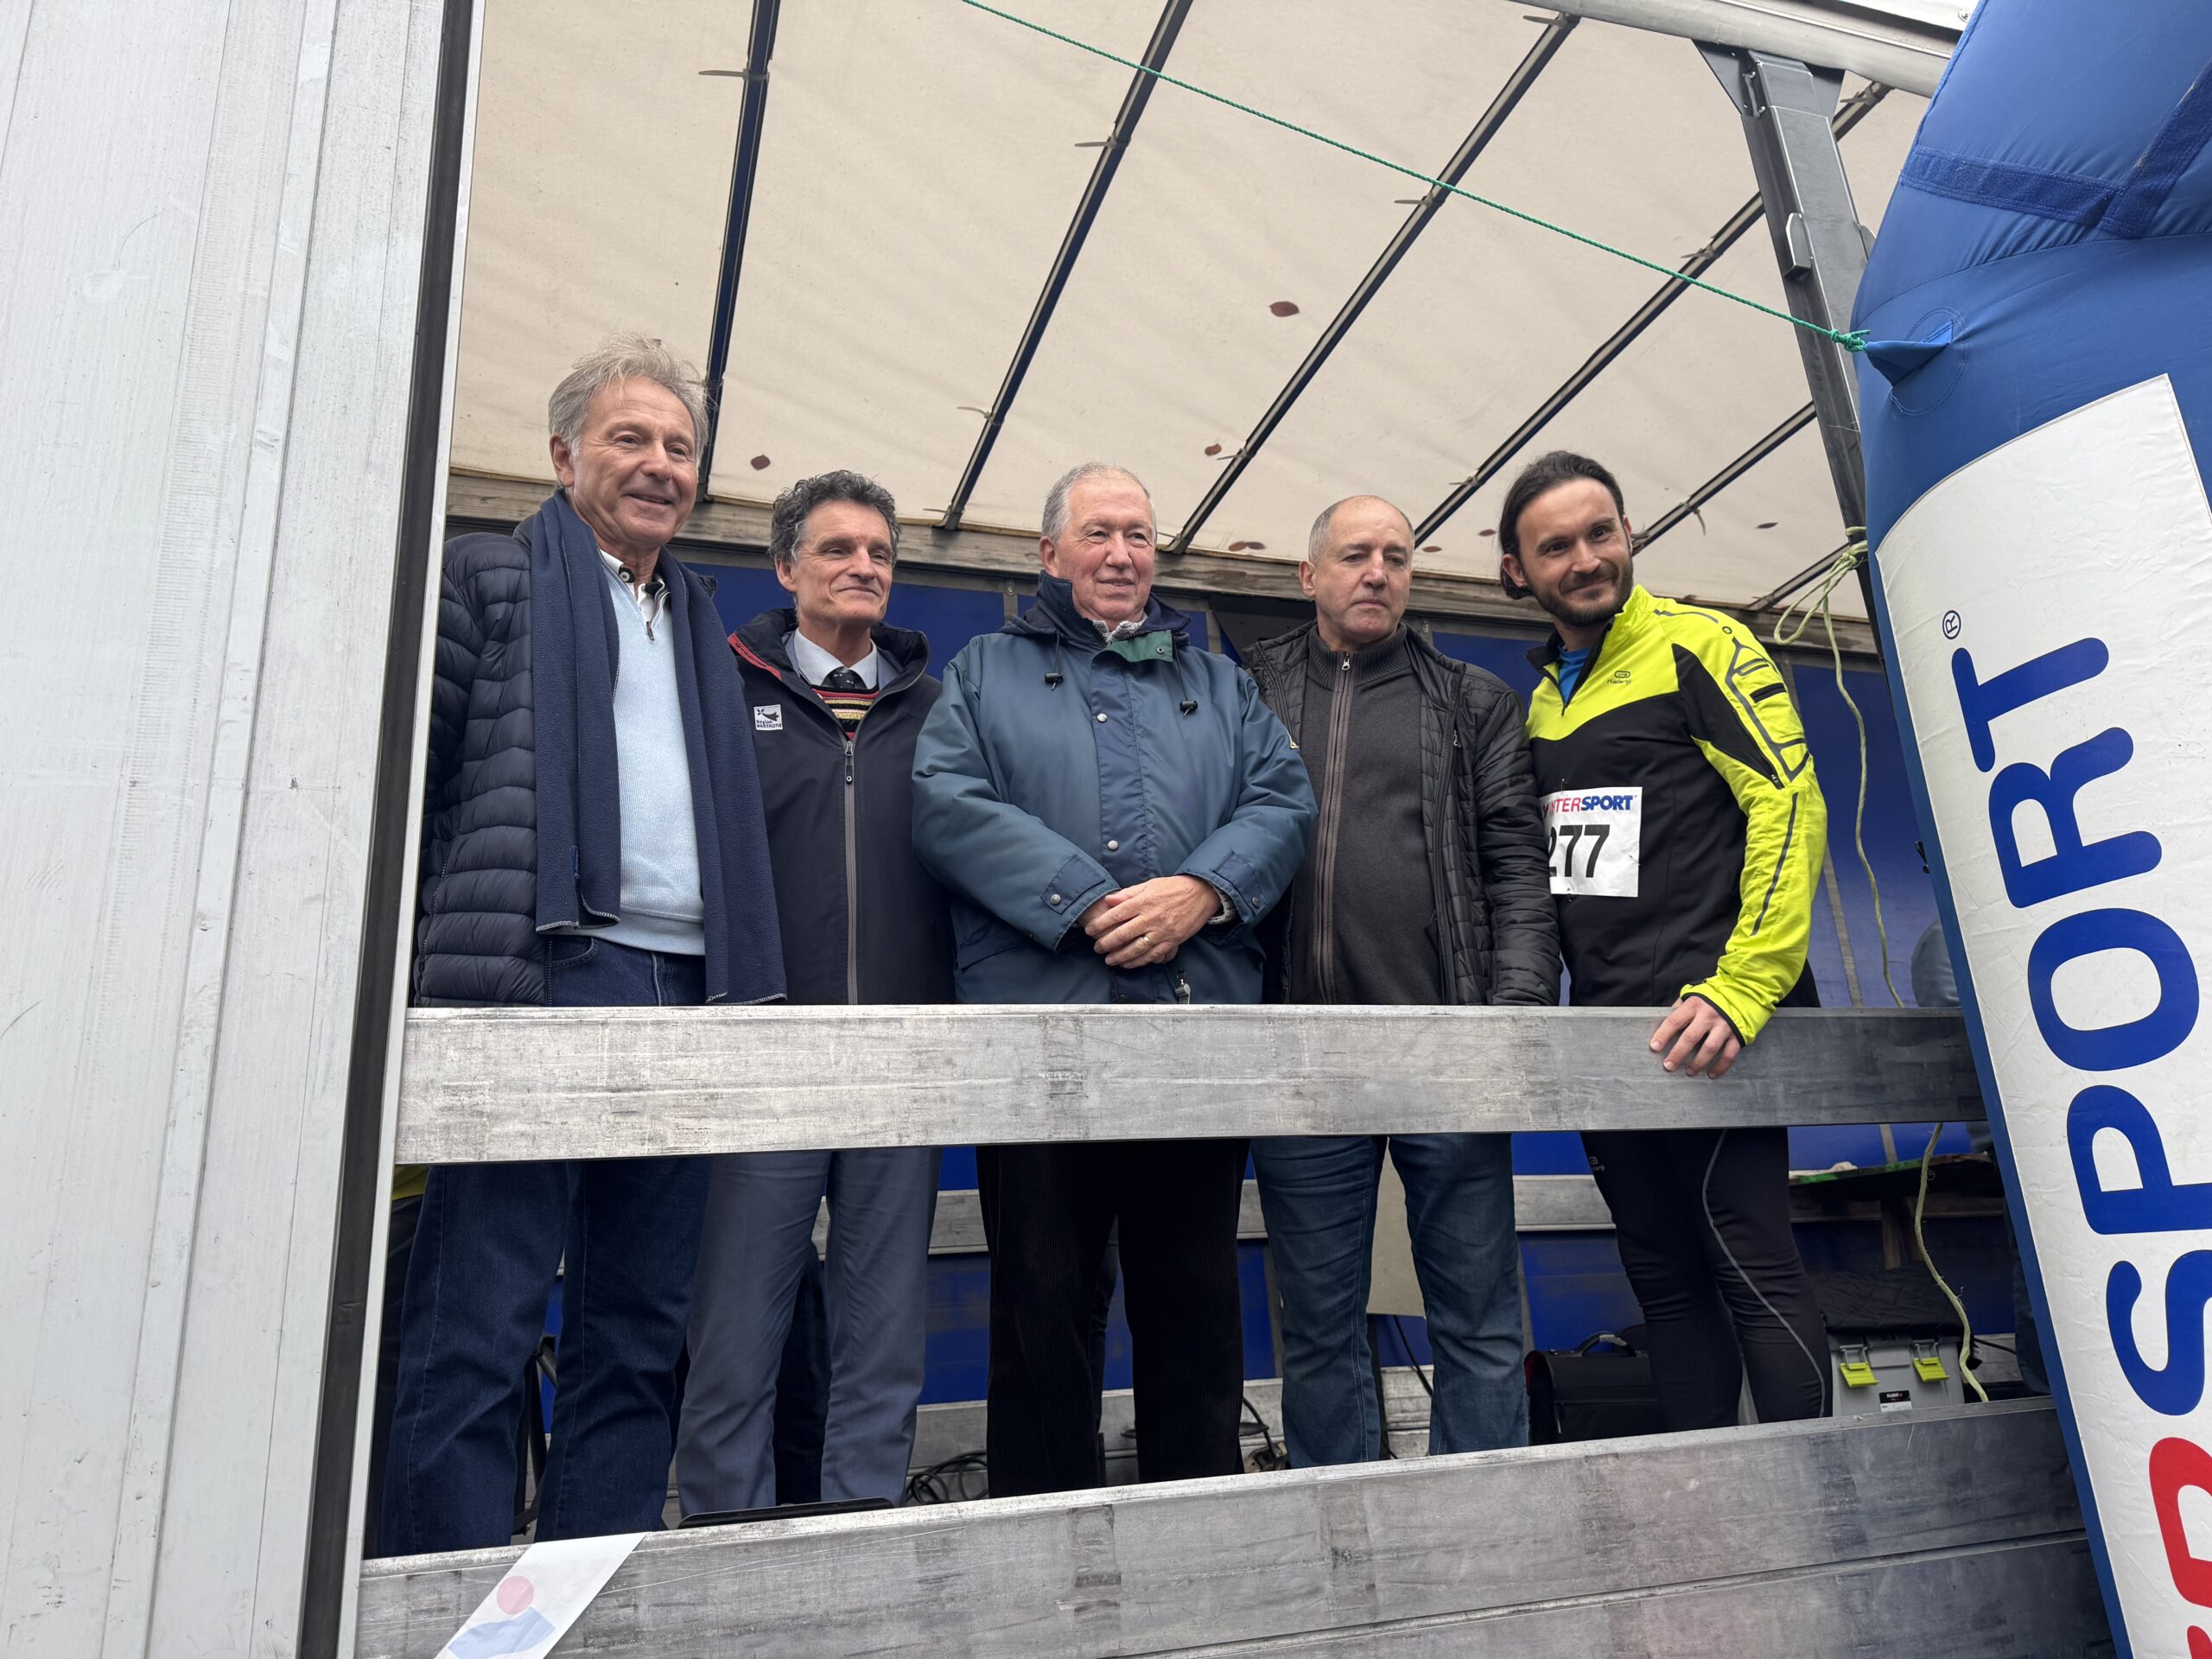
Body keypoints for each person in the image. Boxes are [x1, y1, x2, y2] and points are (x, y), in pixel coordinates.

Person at [383, 335, 783, 1554]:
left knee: (639, 1328)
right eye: (629, 438)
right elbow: (406, 789)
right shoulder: (490, 579)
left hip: (688, 987)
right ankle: (445, 1598)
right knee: (479, 1320)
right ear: (563, 458)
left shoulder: (700, 618)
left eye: (680, 447)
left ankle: (584, 1591)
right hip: (541, 977)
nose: (660, 464)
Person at [912, 462, 1315, 1496]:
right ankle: (1041, 1529)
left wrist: (1203, 891)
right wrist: (1083, 899)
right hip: (1040, 1039)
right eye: (1098, 533)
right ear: (1050, 553)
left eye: (1138, 534)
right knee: (1039, 1305)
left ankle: (1198, 1527)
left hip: (1191, 1033)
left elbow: (1282, 803)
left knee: (1193, 1302)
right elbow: (946, 802)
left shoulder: (1219, 683)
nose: (1122, 553)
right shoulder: (983, 672)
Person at [1498, 448, 1830, 1431]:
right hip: (1612, 1038)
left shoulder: (1701, 643)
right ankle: (1710, 1503)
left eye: (1601, 532)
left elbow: (1788, 803)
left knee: (1750, 1266)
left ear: (1630, 532)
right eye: (1556, 546)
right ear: (1516, 570)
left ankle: (1818, 1503)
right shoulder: (1541, 701)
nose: (1586, 559)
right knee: (1665, 1285)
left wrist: (1742, 987)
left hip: (1714, 1023)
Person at [1243, 496, 1559, 1465]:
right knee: (1318, 1328)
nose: (1377, 571)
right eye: (1354, 555)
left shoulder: (1473, 700)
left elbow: (1518, 865)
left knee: (1478, 1318)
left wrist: (1512, 1015)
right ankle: (1345, 1524)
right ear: (1309, 576)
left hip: (1448, 1050)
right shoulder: (1246, 690)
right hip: (1303, 1059)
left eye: (1395, 556)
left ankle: (1481, 1518)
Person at [678, 470, 951, 1516]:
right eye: (838, 549)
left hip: (900, 1061)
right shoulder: (722, 689)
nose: (862, 567)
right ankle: (727, 1538)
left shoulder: (937, 711)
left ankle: (863, 1533)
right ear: (786, 568)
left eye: (878, 553)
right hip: (764, 1062)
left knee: (883, 1345)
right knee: (734, 1341)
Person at [1910, 918, 2049, 1395]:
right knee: (2047, 1269)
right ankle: (2051, 1412)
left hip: (2092, 1119)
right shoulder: (1951, 933)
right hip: (2028, 1130)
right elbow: (1953, 1033)